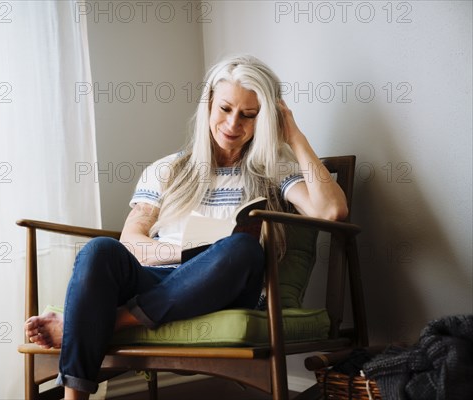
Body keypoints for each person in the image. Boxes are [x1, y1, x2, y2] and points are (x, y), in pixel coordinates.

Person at [24, 54, 348, 400]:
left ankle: (107, 322)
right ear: (208, 104)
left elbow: (331, 210)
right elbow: (132, 238)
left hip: (225, 285)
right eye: (225, 109)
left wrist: (293, 136)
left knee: (243, 249)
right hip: (162, 276)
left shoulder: (275, 170)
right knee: (99, 250)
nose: (233, 124)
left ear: (264, 119)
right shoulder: (167, 169)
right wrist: (175, 252)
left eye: (249, 115)